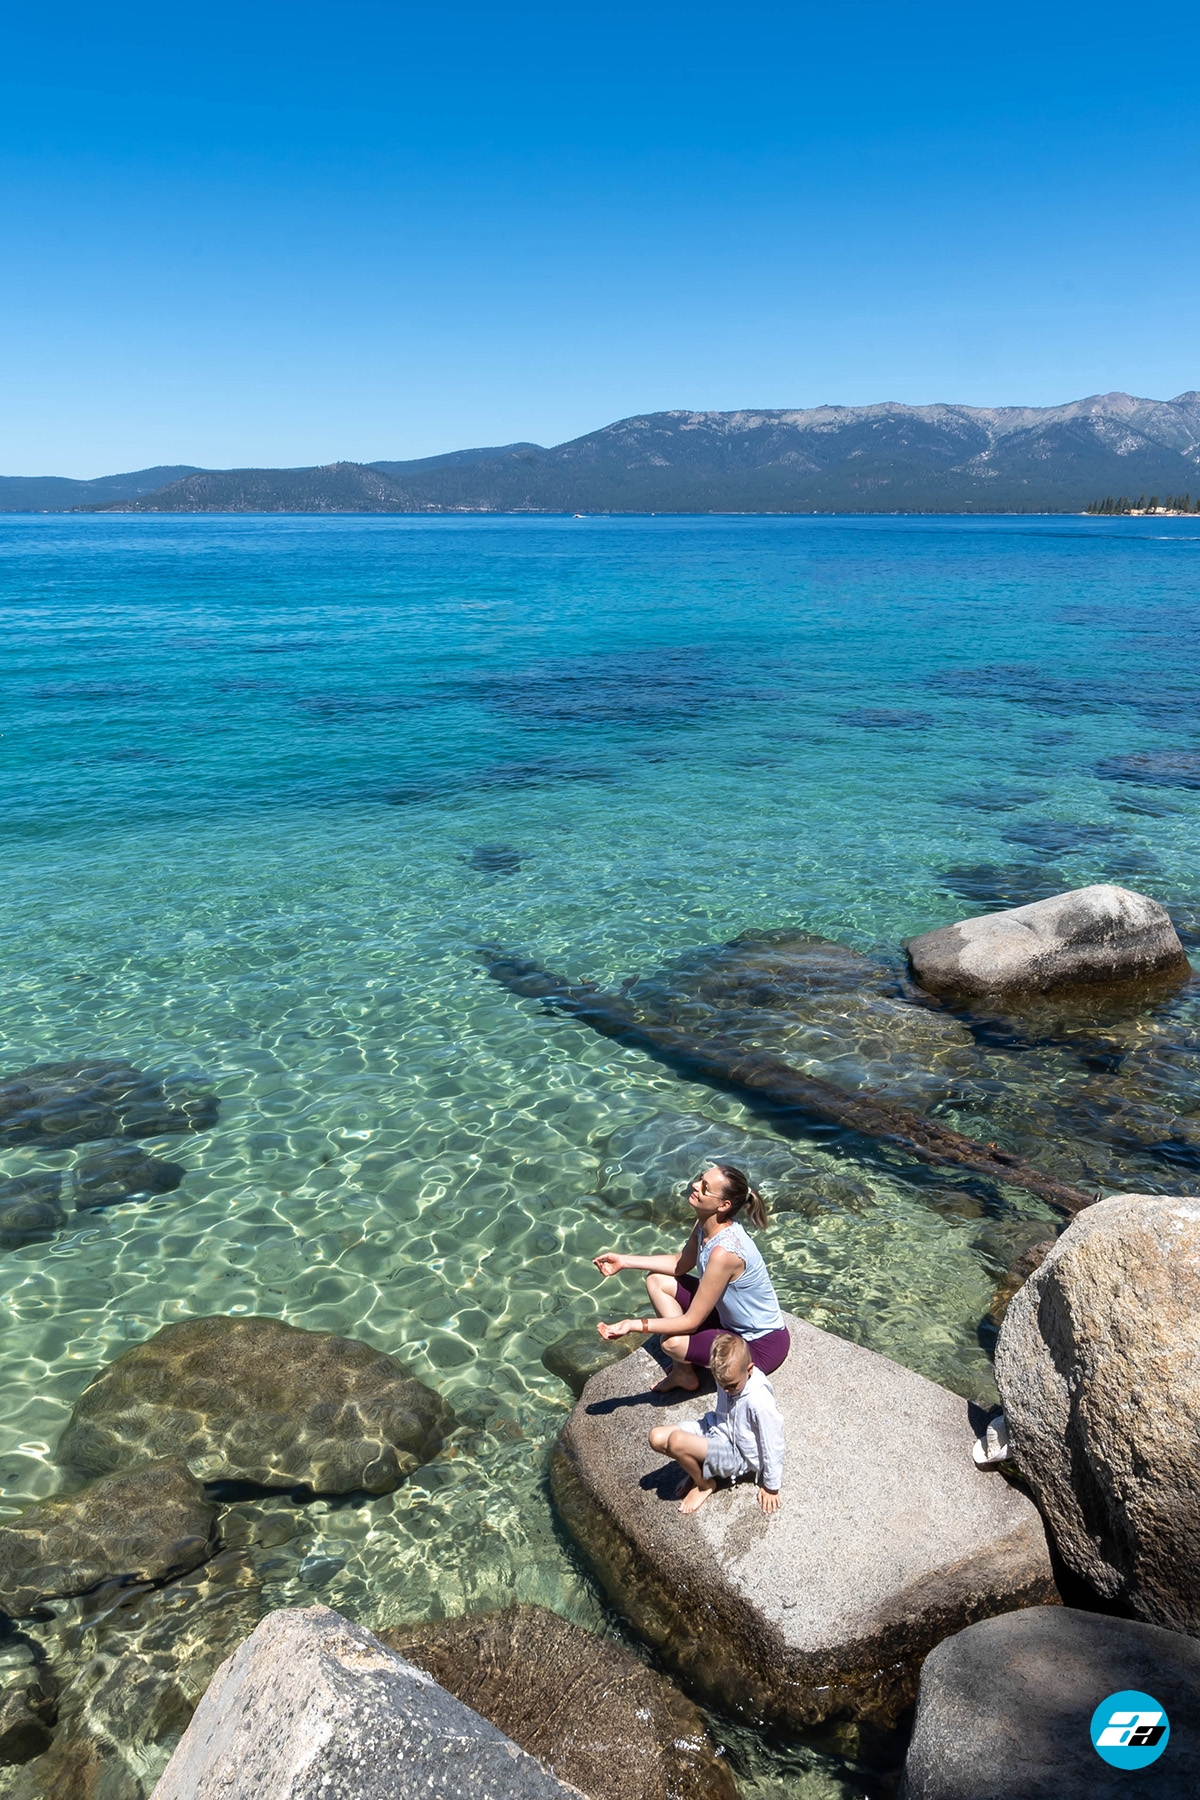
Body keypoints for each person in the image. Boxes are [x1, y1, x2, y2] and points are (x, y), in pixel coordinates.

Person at [594, 1162, 790, 1392]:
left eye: (706, 1187)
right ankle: (684, 1373)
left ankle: (685, 1366)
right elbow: (679, 1264)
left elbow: (691, 1321)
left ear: (723, 1205)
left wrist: (632, 1325)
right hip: (726, 1321)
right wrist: (625, 1261)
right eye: (700, 1179)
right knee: (656, 1279)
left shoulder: (724, 1253)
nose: (695, 1185)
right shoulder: (705, 1224)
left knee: (671, 1343)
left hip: (758, 1344)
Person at [648, 1331, 785, 1514]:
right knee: (656, 1437)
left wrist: (771, 1486)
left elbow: (773, 1442)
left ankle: (704, 1484)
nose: (727, 1390)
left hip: (737, 1453)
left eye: (732, 1385)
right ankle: (700, 1468)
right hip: (715, 1427)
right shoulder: (728, 1373)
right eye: (722, 1384)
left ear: (750, 1369)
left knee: (676, 1442)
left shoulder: (758, 1401)